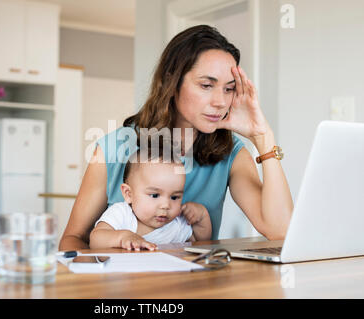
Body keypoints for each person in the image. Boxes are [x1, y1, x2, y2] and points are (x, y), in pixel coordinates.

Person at [59, 25, 293, 251]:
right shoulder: (113, 148)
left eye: (229, 89)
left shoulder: (231, 153)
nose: (220, 102)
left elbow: (280, 232)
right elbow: (72, 239)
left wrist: (263, 137)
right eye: (206, 85)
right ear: (172, 83)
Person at [89, 144, 212, 251]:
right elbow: (95, 240)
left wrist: (203, 217)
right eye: (155, 195)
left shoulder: (177, 224)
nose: (166, 205)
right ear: (128, 194)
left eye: (174, 197)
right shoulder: (122, 214)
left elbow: (201, 242)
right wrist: (122, 238)